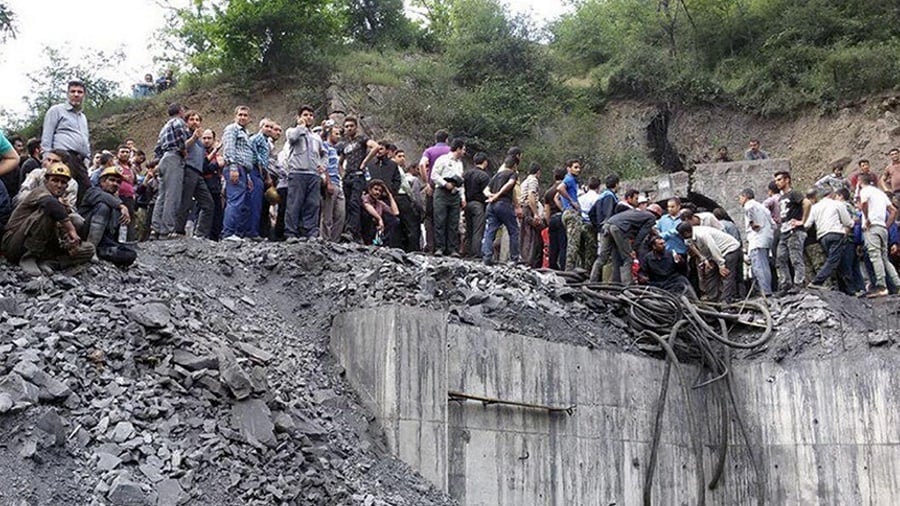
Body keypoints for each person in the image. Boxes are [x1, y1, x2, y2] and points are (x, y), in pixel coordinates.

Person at [2, 163, 94, 275]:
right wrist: (71, 230)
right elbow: (50, 204)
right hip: (16, 243)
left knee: (89, 248)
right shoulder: (39, 192)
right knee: (46, 214)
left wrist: (69, 241)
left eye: (63, 182)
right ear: (46, 181)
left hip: (44, 246)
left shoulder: (61, 202)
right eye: (55, 180)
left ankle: (51, 263)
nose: (59, 185)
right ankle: (29, 257)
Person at [40, 79, 91, 204]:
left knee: (86, 191)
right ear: (67, 94)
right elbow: (47, 135)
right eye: (73, 91)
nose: (76, 94)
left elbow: (85, 138)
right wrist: (47, 159)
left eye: (80, 92)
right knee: (63, 188)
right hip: (63, 156)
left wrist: (88, 159)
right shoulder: (56, 110)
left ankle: (77, 220)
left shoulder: (82, 117)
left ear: (84, 95)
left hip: (80, 160)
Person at [151, 103, 197, 239]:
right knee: (173, 195)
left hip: (164, 159)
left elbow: (157, 148)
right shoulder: (179, 123)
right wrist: (185, 152)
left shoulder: (164, 127)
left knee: (162, 195)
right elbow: (182, 143)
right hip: (174, 159)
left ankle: (155, 228)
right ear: (181, 111)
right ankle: (167, 230)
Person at [79, 167, 137, 266]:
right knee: (103, 207)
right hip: (84, 234)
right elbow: (102, 196)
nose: (115, 184)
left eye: (118, 182)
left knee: (130, 254)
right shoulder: (93, 191)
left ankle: (102, 252)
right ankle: (90, 249)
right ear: (102, 181)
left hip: (105, 240)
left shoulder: (116, 202)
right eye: (111, 180)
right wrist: (121, 206)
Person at [284, 105, 326, 239]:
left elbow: (324, 153)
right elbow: (292, 139)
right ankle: (290, 232)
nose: (309, 117)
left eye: (311, 115)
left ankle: (311, 232)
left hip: (313, 174)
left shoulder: (316, 137)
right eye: (305, 115)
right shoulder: (292, 131)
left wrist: (322, 165)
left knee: (313, 204)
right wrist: (301, 126)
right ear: (299, 117)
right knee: (294, 203)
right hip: (297, 172)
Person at [590, 204, 661, 283]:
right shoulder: (651, 217)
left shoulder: (636, 212)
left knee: (606, 257)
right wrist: (634, 248)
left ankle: (593, 281)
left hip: (607, 225)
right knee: (628, 258)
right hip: (619, 229)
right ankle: (627, 286)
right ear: (656, 214)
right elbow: (642, 234)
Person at [858, 172, 899, 297]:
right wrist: (887, 225)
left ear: (860, 181)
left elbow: (864, 204)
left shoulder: (865, 191)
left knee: (875, 256)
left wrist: (867, 218)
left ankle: (881, 286)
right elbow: (893, 211)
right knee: (884, 258)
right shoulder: (880, 193)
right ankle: (897, 284)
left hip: (872, 228)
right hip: (882, 227)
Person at [678, 222, 742, 302]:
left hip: (728, 249)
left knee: (726, 275)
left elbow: (713, 248)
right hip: (714, 254)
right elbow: (694, 248)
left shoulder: (702, 234)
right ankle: (713, 299)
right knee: (710, 273)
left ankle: (726, 302)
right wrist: (705, 260)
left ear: (686, 233)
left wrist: (721, 265)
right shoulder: (688, 238)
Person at [803, 187, 852, 290]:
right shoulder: (837, 204)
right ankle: (817, 281)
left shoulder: (815, 207)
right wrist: (852, 223)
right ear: (832, 194)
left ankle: (849, 288)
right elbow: (847, 222)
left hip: (822, 236)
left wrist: (799, 224)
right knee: (833, 260)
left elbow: (807, 224)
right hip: (836, 233)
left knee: (837, 260)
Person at [339, 116, 379, 242]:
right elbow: (340, 162)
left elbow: (376, 147)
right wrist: (342, 174)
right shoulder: (344, 144)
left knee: (354, 203)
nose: (349, 128)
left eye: (351, 126)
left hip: (358, 175)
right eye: (346, 126)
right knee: (347, 204)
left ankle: (351, 231)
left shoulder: (361, 139)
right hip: (348, 177)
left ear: (356, 127)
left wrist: (364, 162)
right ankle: (352, 233)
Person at [176, 111, 214, 239]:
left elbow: (203, 160)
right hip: (188, 170)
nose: (195, 122)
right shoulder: (185, 134)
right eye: (192, 119)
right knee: (185, 202)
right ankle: (178, 231)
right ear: (186, 122)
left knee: (208, 204)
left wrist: (214, 151)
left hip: (198, 173)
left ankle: (200, 234)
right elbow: (181, 146)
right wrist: (193, 137)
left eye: (197, 120)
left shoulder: (200, 141)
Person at [221, 105, 255, 241]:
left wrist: (247, 176)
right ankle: (228, 233)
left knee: (244, 204)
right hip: (235, 168)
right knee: (235, 201)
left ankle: (238, 234)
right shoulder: (232, 129)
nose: (242, 117)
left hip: (244, 171)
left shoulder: (246, 133)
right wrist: (233, 168)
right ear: (235, 116)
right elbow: (229, 149)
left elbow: (245, 154)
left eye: (245, 115)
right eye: (240, 114)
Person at [774, 170, 809, 294]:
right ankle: (786, 283)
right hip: (784, 231)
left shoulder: (794, 193)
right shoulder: (781, 197)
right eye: (776, 180)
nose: (777, 182)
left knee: (795, 258)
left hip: (795, 230)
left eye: (779, 179)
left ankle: (799, 283)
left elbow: (807, 203)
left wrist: (802, 221)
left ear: (787, 180)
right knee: (780, 258)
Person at [430, 138, 466, 257]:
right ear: (458, 148)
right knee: (440, 220)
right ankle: (440, 247)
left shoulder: (460, 164)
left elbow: (461, 181)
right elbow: (434, 175)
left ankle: (452, 249)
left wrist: (462, 197)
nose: (464, 152)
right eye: (463, 149)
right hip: (442, 191)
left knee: (453, 222)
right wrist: (445, 184)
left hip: (455, 193)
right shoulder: (443, 160)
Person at [481, 155, 520, 265]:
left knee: (490, 231)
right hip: (504, 204)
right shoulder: (513, 174)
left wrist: (491, 196)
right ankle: (514, 258)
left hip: (492, 205)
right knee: (513, 231)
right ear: (515, 165)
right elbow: (510, 184)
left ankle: (487, 256)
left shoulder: (496, 175)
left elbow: (485, 190)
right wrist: (498, 195)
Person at [419, 129, 451, 252]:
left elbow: (422, 164)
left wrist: (426, 183)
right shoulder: (450, 151)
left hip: (433, 186)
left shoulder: (429, 151)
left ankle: (432, 246)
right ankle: (445, 248)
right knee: (446, 217)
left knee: (430, 216)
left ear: (435, 139)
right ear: (447, 140)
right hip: (448, 187)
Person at [739, 188, 775, 296]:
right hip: (766, 238)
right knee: (764, 265)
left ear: (745, 196)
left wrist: (752, 222)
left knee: (759, 266)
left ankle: (765, 291)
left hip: (757, 239)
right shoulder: (763, 207)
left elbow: (749, 210)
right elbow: (773, 223)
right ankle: (763, 289)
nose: (739, 201)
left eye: (740, 198)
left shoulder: (749, 205)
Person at [246, 118, 273, 240]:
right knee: (254, 203)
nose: (269, 129)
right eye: (266, 126)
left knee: (259, 203)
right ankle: (252, 232)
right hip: (254, 171)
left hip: (260, 173)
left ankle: (254, 231)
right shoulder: (256, 138)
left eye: (271, 127)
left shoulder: (266, 141)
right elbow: (254, 156)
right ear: (260, 127)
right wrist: (264, 173)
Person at [320, 125, 345, 242]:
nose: (338, 137)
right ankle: (325, 239)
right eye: (336, 134)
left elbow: (337, 167)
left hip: (338, 183)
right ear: (329, 134)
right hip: (330, 183)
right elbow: (324, 165)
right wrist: (328, 182)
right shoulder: (324, 146)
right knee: (327, 214)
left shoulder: (335, 150)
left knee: (340, 214)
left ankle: (335, 240)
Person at [557, 159, 583, 271]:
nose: (578, 169)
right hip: (572, 213)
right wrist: (572, 202)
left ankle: (573, 268)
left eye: (579, 167)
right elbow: (560, 188)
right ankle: (569, 271)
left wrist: (563, 208)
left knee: (574, 242)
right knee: (573, 244)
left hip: (567, 212)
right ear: (568, 168)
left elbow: (556, 197)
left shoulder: (573, 180)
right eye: (575, 167)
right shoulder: (569, 179)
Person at [463, 152, 491, 257]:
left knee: (468, 229)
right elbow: (486, 193)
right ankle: (476, 253)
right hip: (478, 205)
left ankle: (466, 251)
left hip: (467, 203)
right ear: (485, 162)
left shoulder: (467, 174)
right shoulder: (484, 176)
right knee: (478, 230)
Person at [393, 149, 421, 252]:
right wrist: (412, 198)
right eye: (399, 156)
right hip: (402, 196)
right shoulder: (396, 169)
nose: (402, 159)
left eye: (404, 156)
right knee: (411, 225)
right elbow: (405, 186)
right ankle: (413, 249)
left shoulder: (399, 169)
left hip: (398, 197)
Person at [200, 130, 224, 241]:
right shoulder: (199, 152)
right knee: (205, 210)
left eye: (209, 138)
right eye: (204, 138)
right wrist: (216, 164)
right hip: (203, 186)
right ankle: (203, 235)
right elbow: (204, 168)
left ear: (213, 140)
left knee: (218, 212)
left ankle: (214, 237)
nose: (206, 141)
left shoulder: (217, 155)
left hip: (216, 186)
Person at [518, 162, 544, 267]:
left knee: (524, 236)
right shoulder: (533, 180)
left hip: (523, 208)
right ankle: (528, 262)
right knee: (531, 238)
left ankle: (524, 260)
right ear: (538, 171)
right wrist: (536, 213)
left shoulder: (525, 181)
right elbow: (531, 196)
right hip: (529, 209)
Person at [362, 179, 399, 246]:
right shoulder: (365, 197)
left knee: (394, 220)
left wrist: (389, 195)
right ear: (370, 190)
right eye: (375, 189)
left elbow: (395, 212)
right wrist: (379, 219)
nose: (377, 192)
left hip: (376, 228)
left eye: (380, 191)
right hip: (365, 227)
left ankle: (384, 243)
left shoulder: (379, 203)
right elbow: (367, 206)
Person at [544, 167, 567, 270]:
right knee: (563, 245)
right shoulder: (565, 189)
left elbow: (546, 210)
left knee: (553, 246)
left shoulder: (548, 192)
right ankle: (563, 268)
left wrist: (548, 223)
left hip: (552, 219)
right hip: (562, 218)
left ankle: (552, 267)